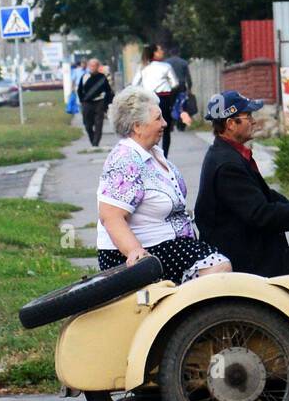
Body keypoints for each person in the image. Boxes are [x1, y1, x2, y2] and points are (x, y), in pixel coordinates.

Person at [195, 90, 289, 282]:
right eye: (248, 116)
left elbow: (267, 196)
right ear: (231, 124)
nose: (253, 121)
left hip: (256, 247)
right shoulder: (227, 165)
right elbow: (262, 214)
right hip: (247, 260)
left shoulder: (228, 154)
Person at [96, 86, 231, 280]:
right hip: (140, 252)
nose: (165, 124)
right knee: (217, 268)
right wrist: (136, 252)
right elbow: (111, 216)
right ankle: (189, 311)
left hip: (168, 245)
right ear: (137, 126)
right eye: (158, 118)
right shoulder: (125, 161)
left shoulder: (153, 153)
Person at [132, 43, 179, 156]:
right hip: (164, 99)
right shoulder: (166, 66)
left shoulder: (143, 68)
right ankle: (165, 156)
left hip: (149, 101)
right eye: (160, 50)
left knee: (151, 128)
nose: (162, 52)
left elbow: (134, 84)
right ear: (154, 53)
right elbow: (175, 83)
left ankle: (153, 154)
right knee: (165, 129)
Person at [78, 58, 114, 147]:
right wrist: (82, 101)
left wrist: (106, 103)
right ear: (88, 66)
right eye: (91, 66)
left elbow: (108, 91)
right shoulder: (84, 77)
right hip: (87, 103)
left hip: (99, 102)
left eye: (95, 66)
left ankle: (95, 143)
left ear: (98, 67)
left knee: (99, 124)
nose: (92, 68)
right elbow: (79, 90)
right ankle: (92, 139)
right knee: (87, 124)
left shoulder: (102, 78)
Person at [165, 45, 193, 132]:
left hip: (170, 87)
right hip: (181, 86)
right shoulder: (183, 62)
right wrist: (189, 87)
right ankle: (181, 125)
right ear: (178, 53)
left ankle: (170, 125)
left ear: (170, 53)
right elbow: (188, 77)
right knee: (182, 105)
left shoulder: (166, 63)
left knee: (169, 105)